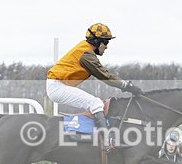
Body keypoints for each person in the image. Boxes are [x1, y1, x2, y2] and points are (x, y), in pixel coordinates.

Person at [46, 23, 143, 152]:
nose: (106, 46)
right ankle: (107, 141)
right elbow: (105, 76)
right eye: (105, 42)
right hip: (57, 87)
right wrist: (127, 86)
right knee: (95, 103)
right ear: (96, 41)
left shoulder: (86, 50)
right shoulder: (86, 54)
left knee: (95, 102)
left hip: (58, 85)